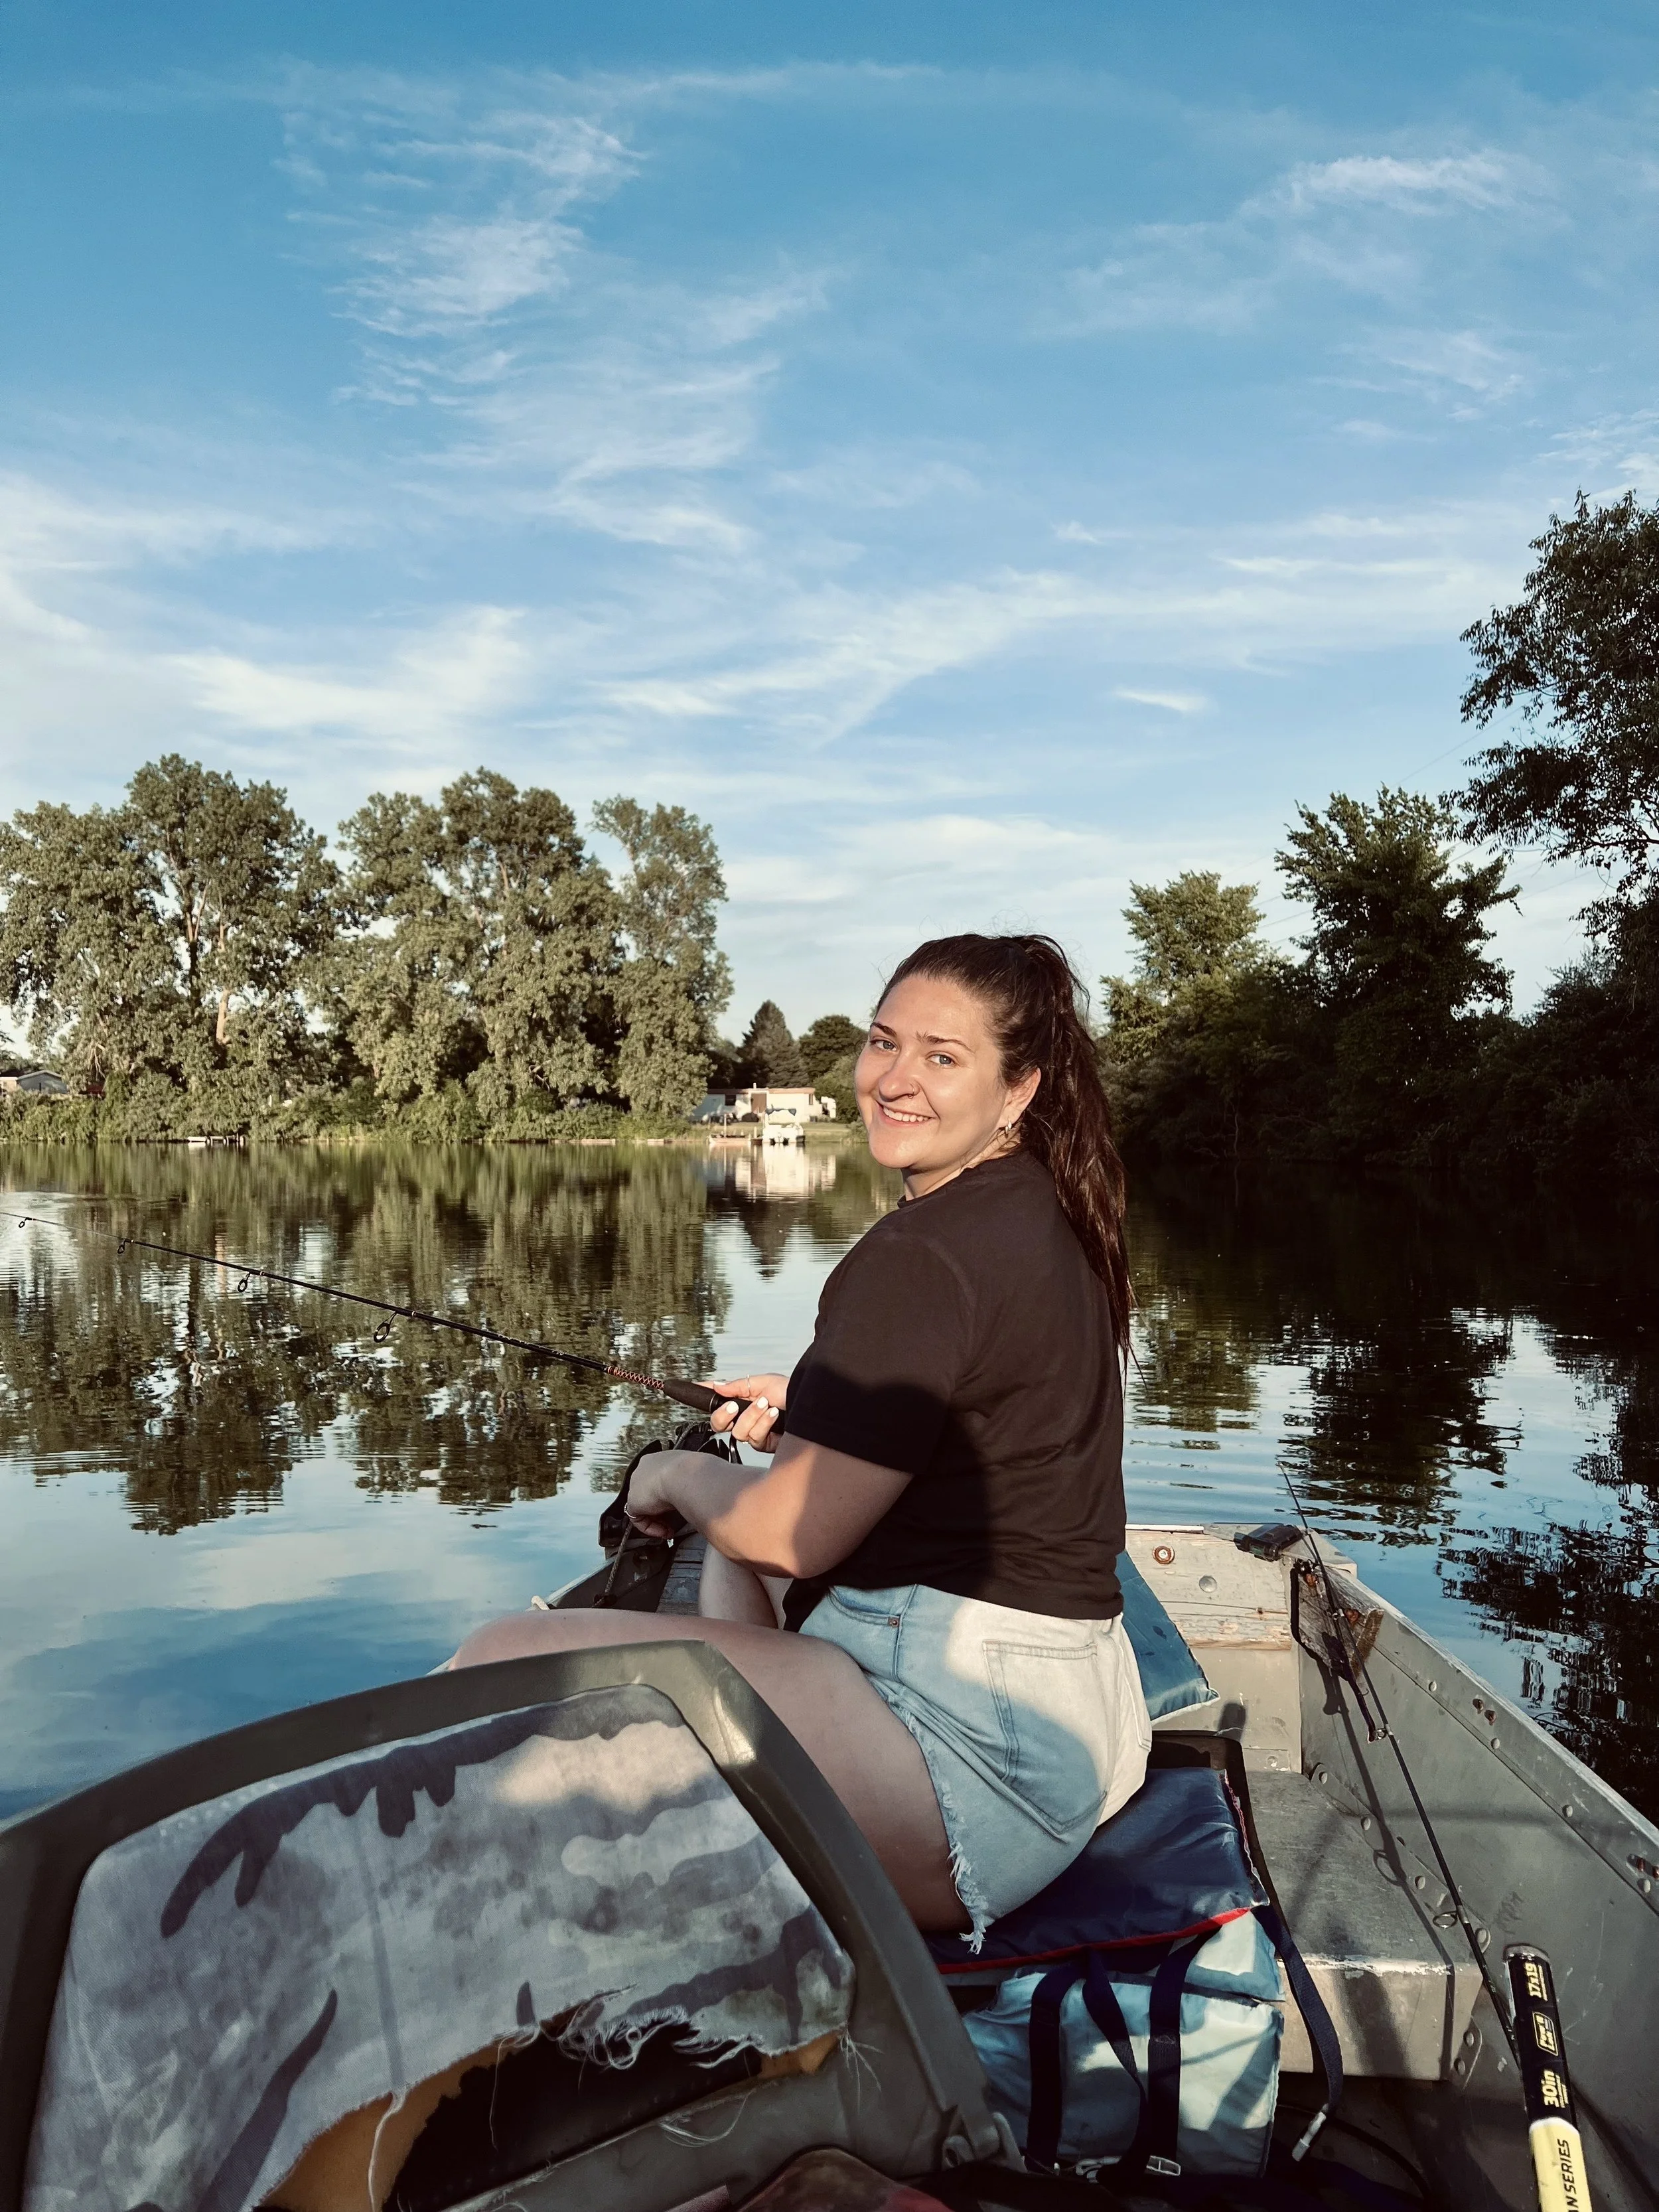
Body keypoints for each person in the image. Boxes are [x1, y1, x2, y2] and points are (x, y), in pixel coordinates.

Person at [449, 933, 1148, 1943]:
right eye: (882, 1042)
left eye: (942, 1059)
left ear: (1018, 1088)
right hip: (1076, 1725)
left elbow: (792, 1537)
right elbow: (970, 1419)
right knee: (738, 1576)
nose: (894, 1080)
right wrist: (820, 1405)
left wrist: (673, 1472)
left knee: (494, 1663)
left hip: (972, 1781)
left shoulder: (920, 1257)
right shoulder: (1044, 1212)